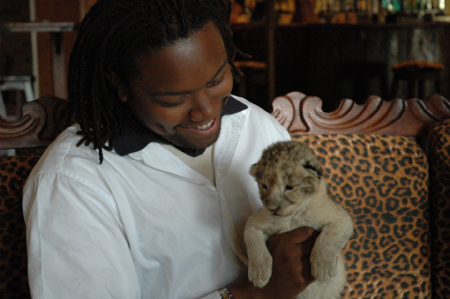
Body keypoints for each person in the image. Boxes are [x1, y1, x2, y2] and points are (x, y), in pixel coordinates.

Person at [23, 0, 318, 298]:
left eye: (216, 80)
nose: (205, 112)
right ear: (120, 84)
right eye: (173, 100)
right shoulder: (73, 182)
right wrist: (253, 295)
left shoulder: (256, 125)